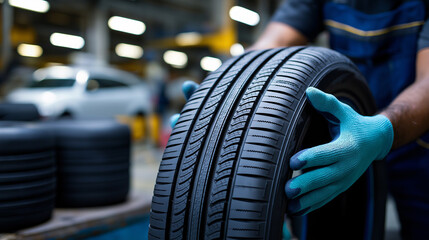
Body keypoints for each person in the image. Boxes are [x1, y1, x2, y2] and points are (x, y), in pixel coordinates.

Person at [172, 0, 429, 238]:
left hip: (417, 145)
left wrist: (383, 130)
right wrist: (224, 96)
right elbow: (269, 46)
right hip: (340, 142)